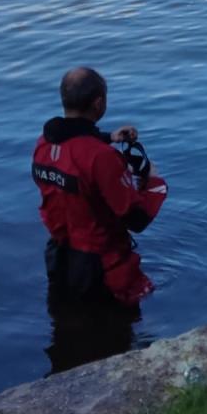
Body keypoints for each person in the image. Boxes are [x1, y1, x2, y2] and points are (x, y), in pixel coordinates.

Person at [31, 67, 169, 308]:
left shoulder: (43, 145)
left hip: (59, 259)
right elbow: (136, 219)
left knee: (68, 330)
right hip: (101, 270)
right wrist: (154, 183)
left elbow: (73, 152)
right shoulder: (102, 158)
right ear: (99, 103)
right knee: (117, 337)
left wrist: (108, 137)